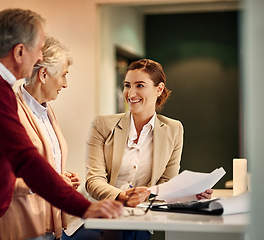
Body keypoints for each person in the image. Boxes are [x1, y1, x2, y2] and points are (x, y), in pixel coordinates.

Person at [0, 8, 123, 240]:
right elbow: (25, 159)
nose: (39, 58)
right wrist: (84, 208)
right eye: (38, 50)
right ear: (19, 51)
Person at [63, 59, 212, 240]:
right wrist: (122, 196)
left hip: (138, 219)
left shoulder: (174, 129)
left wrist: (187, 194)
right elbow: (93, 181)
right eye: (127, 85)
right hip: (95, 216)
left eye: (140, 85)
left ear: (159, 89)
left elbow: (166, 184)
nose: (131, 93)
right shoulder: (102, 125)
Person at [0, 34, 80, 240]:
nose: (65, 83)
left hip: (49, 224)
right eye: (63, 75)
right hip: (22, 228)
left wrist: (62, 176)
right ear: (43, 75)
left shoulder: (46, 112)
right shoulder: (10, 111)